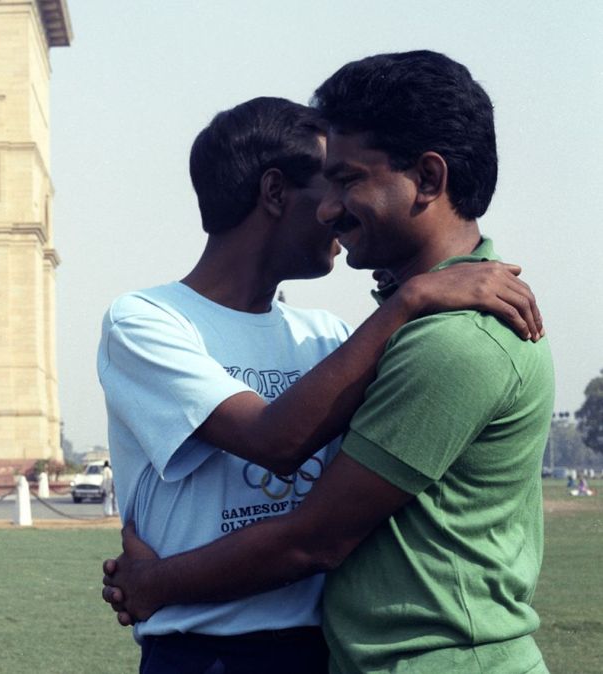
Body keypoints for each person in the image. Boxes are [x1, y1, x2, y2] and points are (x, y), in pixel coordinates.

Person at [101, 51, 554, 674]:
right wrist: (409, 298)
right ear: (274, 191)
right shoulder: (148, 321)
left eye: (350, 181)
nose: (331, 212)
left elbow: (317, 534)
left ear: (426, 178)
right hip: (208, 652)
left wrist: (157, 582)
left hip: (325, 646)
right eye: (330, 181)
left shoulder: (339, 336)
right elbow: (275, 439)